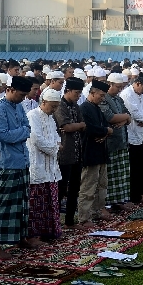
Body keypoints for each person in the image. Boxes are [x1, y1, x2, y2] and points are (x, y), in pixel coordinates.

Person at [0, 76, 41, 253]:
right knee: (4, 204)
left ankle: (20, 238)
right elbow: (4, 135)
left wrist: (20, 132)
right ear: (10, 90)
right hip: (7, 162)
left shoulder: (19, 106)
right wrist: (22, 132)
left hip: (22, 160)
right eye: (20, 94)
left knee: (22, 203)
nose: (23, 98)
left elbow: (28, 129)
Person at [27, 88, 63, 239]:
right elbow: (36, 139)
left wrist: (57, 145)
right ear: (44, 102)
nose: (54, 109)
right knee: (37, 203)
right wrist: (54, 148)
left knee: (51, 200)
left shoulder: (50, 118)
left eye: (56, 106)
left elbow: (57, 137)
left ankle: (50, 232)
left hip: (51, 166)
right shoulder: (32, 115)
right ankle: (35, 235)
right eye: (52, 106)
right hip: (38, 163)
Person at [77, 80, 112, 227]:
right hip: (89, 151)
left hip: (101, 151)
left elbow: (107, 126)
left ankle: (97, 211)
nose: (102, 98)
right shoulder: (84, 108)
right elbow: (89, 128)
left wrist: (105, 132)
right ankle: (84, 217)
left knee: (102, 184)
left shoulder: (97, 108)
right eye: (101, 95)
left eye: (104, 96)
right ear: (92, 93)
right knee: (88, 186)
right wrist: (105, 131)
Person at [54, 77, 85, 226]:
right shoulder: (60, 106)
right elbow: (65, 127)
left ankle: (70, 221)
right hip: (64, 153)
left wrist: (76, 125)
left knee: (75, 188)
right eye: (77, 93)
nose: (78, 95)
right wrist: (78, 125)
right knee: (61, 189)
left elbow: (82, 124)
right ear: (68, 91)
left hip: (77, 151)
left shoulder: (75, 105)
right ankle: (55, 221)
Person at [98, 73, 131, 209]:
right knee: (109, 176)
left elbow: (128, 115)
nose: (119, 90)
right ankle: (107, 203)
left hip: (121, 141)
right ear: (110, 84)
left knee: (121, 175)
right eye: (118, 87)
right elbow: (110, 117)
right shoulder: (103, 98)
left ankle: (119, 201)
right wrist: (126, 117)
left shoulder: (118, 99)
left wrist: (124, 118)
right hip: (110, 142)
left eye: (121, 87)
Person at [120, 73, 143, 204]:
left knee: (140, 166)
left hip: (140, 134)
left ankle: (139, 194)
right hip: (130, 135)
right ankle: (133, 196)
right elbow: (136, 115)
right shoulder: (127, 94)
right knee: (133, 168)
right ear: (138, 83)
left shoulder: (141, 95)